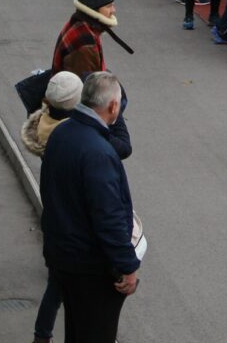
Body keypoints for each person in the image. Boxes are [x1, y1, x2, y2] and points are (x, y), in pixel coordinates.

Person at [39, 73, 140, 343]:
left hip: (64, 258)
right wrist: (128, 266)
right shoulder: (98, 152)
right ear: (113, 106)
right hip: (91, 268)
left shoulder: (61, 134)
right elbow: (108, 217)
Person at [20, 71, 84, 343]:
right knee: (74, 291)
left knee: (55, 286)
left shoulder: (46, 123)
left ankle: (42, 336)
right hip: (72, 231)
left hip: (55, 225)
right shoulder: (70, 138)